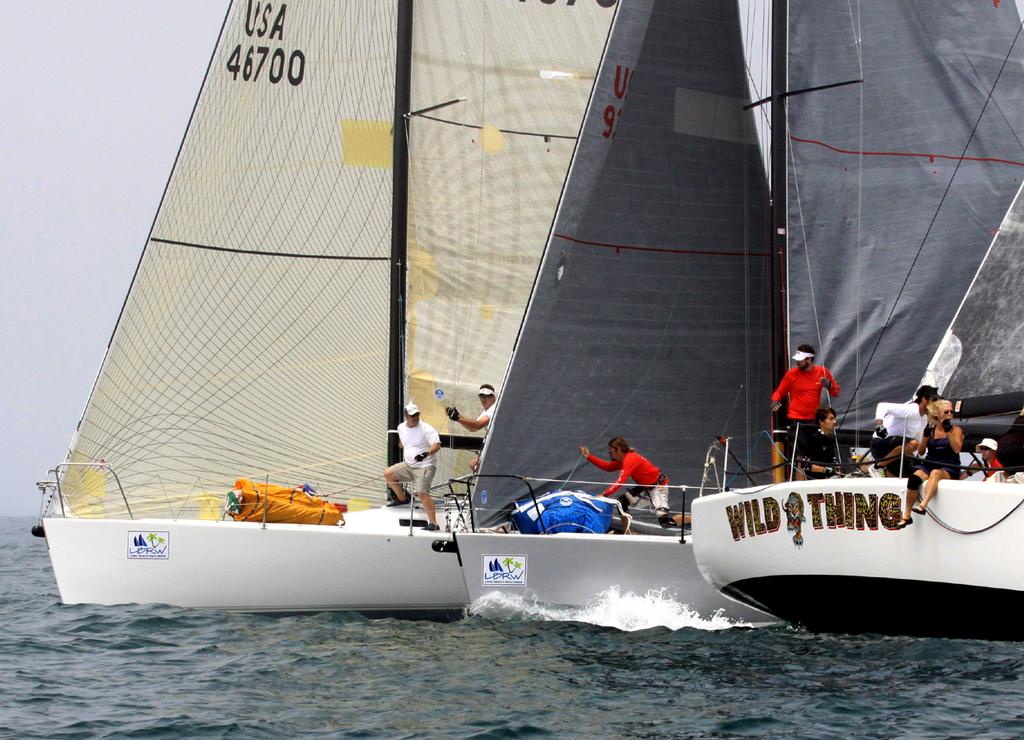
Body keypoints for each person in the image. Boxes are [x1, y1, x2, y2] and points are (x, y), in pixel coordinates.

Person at [579, 437, 689, 528]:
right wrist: (589, 456)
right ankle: (628, 533)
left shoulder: (630, 459)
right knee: (622, 503)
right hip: (645, 487)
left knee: (665, 523)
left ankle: (692, 519)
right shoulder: (624, 459)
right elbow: (608, 467)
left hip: (658, 487)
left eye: (611, 452)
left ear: (618, 450)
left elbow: (620, 481)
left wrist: (604, 494)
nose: (610, 454)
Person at [899, 399, 963, 527]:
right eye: (946, 412)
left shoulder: (956, 430)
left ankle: (923, 505)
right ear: (938, 414)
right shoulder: (931, 430)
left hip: (949, 465)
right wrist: (925, 437)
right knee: (913, 479)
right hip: (930, 462)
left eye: (951, 412)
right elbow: (921, 451)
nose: (950, 414)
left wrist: (948, 432)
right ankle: (906, 515)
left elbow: (957, 449)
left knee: (935, 473)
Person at [771, 344, 840, 454]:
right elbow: (779, 391)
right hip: (796, 419)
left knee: (817, 450)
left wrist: (829, 385)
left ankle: (818, 470)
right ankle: (801, 469)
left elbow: (835, 392)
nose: (797, 362)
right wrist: (775, 400)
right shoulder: (791, 374)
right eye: (797, 360)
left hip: (815, 420)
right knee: (801, 450)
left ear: (809, 359)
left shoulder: (822, 372)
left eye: (801, 360)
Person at [384, 402, 443, 531]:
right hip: (408, 465)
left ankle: (433, 523)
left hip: (425, 466)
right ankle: (402, 499)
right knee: (388, 473)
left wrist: (425, 453)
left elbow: (437, 445)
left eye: (417, 414)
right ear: (406, 416)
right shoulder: (401, 427)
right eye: (412, 415)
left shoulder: (426, 428)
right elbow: (403, 443)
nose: (415, 417)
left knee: (422, 492)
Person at [869, 384, 939, 476]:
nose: (936, 403)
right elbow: (882, 406)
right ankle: (877, 467)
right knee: (914, 443)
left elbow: (920, 441)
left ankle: (885, 473)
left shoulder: (925, 418)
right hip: (880, 444)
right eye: (933, 400)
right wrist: (880, 427)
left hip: (896, 452)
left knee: (912, 474)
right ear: (924, 399)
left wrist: (923, 460)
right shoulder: (912, 409)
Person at [445, 384, 497, 471]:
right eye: (481, 397)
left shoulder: (494, 408)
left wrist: (458, 417)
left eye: (487, 397)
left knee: (475, 465)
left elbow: (478, 424)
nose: (484, 400)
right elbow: (472, 428)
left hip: (497, 445)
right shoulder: (486, 411)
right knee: (473, 465)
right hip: (491, 444)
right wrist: (458, 419)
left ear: (493, 397)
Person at [795, 407, 840, 479]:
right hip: (815, 482)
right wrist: (825, 470)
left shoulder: (830, 440)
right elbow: (805, 465)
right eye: (831, 419)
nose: (834, 422)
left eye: (834, 419)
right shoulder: (813, 439)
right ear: (821, 422)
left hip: (829, 480)